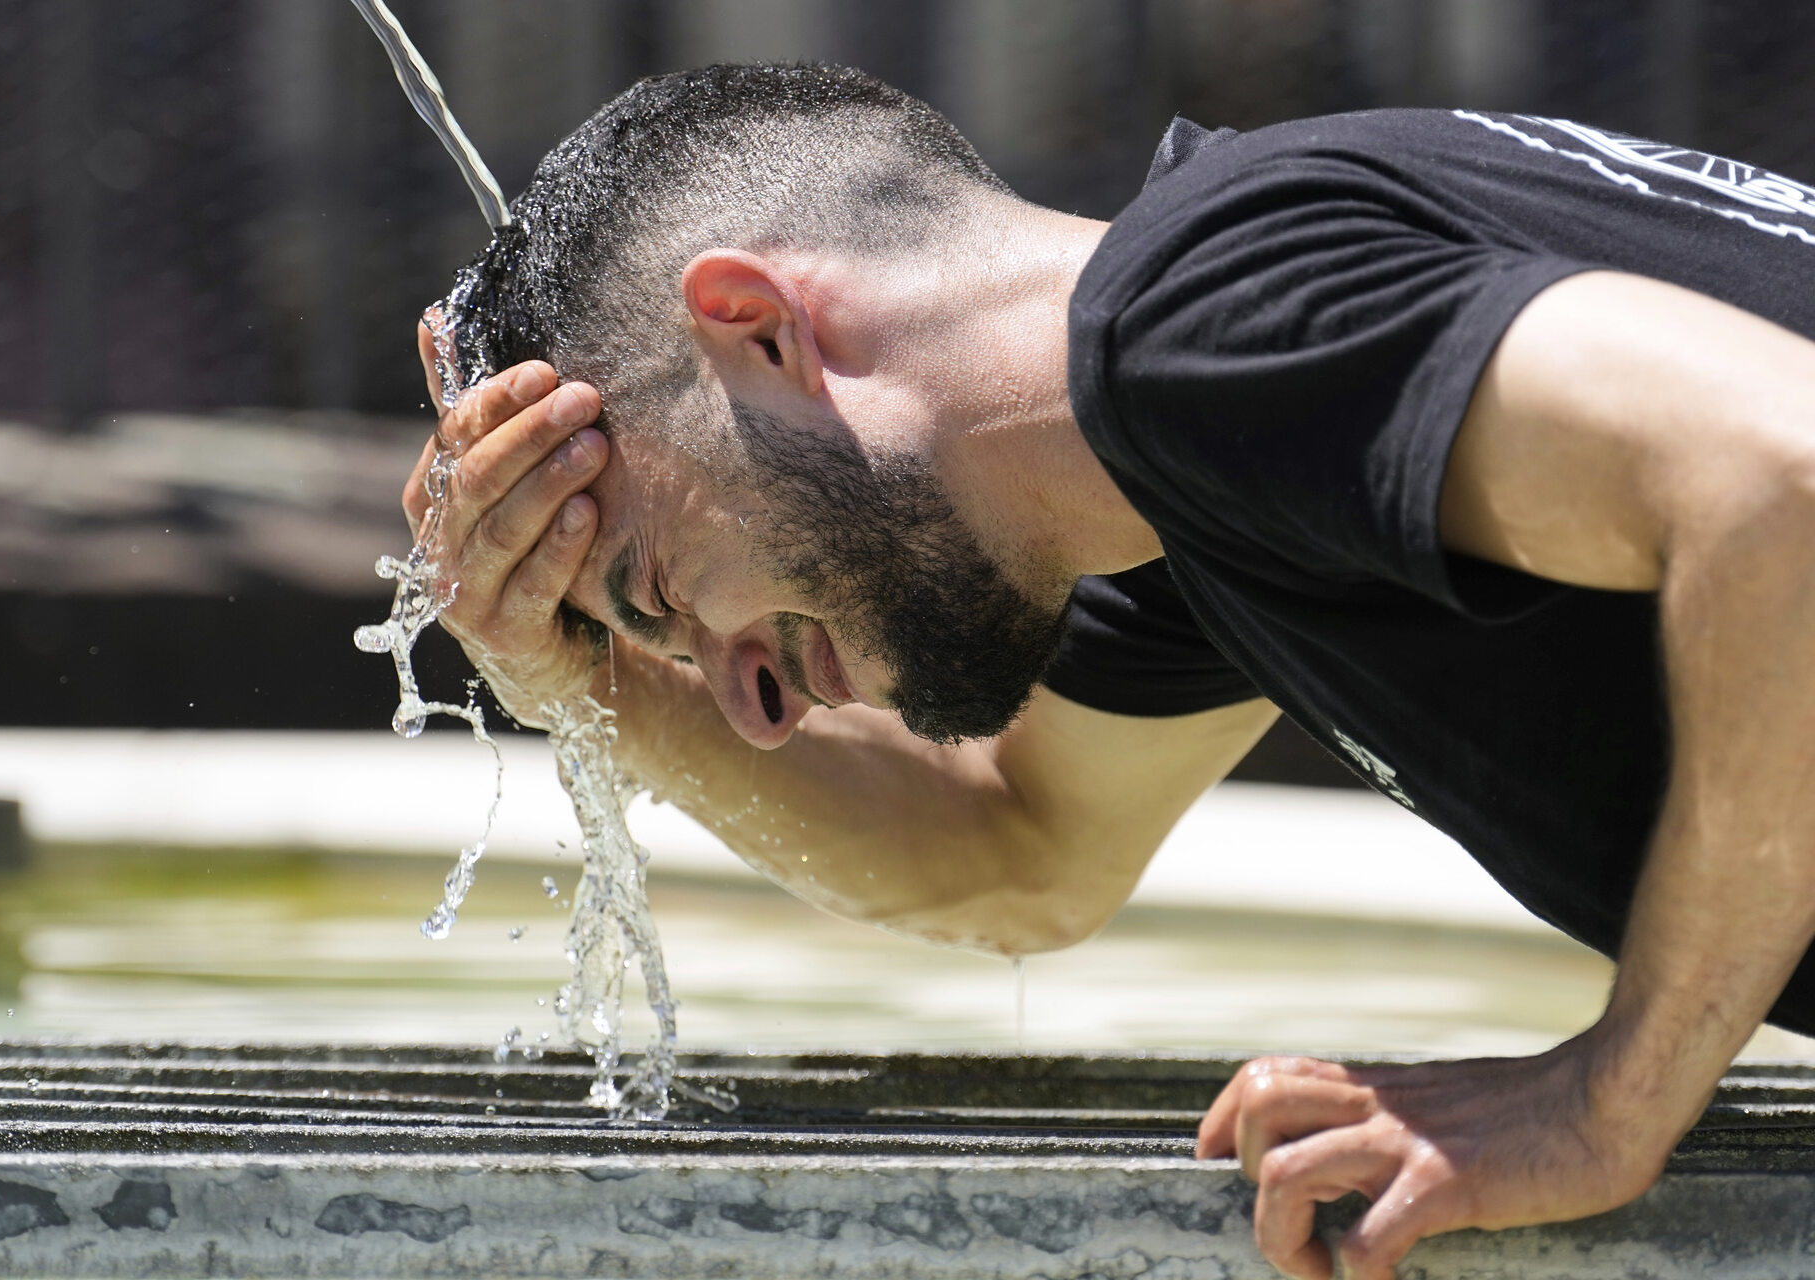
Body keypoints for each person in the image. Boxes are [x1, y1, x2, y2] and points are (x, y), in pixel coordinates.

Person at [400, 63, 1815, 1277]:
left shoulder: (1204, 314)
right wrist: (579, 684)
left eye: (663, 593)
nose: (751, 710)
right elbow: (1020, 856)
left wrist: (1613, 1099)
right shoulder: (1194, 481)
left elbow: (1782, 487)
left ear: (762, 328)